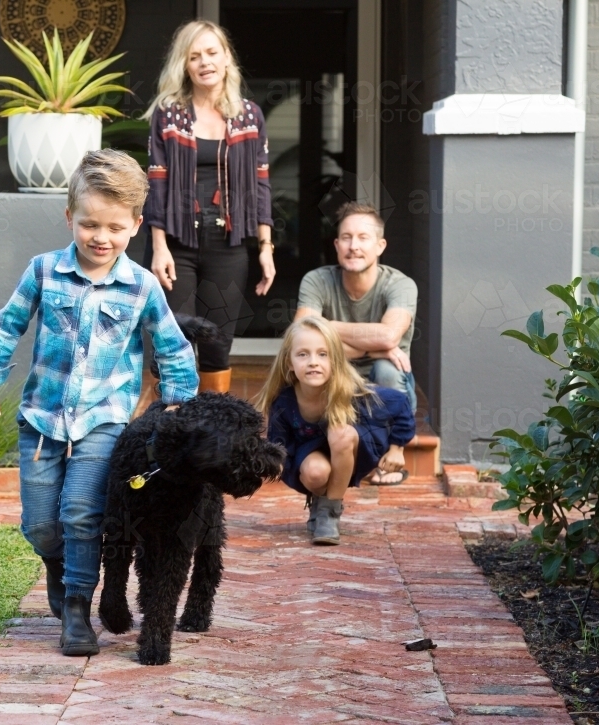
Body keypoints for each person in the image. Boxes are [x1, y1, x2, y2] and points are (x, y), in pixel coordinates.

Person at [0, 149, 198, 657]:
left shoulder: (142, 287)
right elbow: (7, 326)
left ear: (135, 225)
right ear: (70, 217)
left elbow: (175, 349)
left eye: (114, 227)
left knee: (81, 514)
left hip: (104, 420)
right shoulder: (44, 271)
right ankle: (59, 564)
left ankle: (76, 611)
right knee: (42, 525)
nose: (100, 237)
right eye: (89, 223)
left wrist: (179, 407)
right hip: (41, 419)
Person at [140, 19, 275, 400]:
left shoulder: (249, 116)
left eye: (212, 52)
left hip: (228, 242)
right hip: (176, 240)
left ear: (227, 58)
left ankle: (214, 436)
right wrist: (159, 246)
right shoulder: (169, 114)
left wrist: (266, 247)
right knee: (172, 338)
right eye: (194, 56)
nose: (204, 62)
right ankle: (164, 429)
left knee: (217, 343)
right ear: (184, 65)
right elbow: (157, 180)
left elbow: (262, 183)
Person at [257, 317, 415, 545]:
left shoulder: (353, 393)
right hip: (310, 456)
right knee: (315, 472)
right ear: (289, 362)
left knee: (341, 433)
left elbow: (400, 403)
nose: (313, 362)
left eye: (323, 354)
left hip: (351, 451)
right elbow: (278, 444)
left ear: (336, 360)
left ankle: (330, 514)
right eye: (303, 354)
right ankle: (320, 504)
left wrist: (397, 449)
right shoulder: (284, 401)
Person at [294, 201, 418, 484]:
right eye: (347, 238)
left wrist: (324, 329)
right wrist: (371, 345)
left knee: (387, 369)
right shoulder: (317, 280)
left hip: (386, 386)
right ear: (336, 244)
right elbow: (301, 332)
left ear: (380, 245)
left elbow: (389, 336)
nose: (354, 246)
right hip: (336, 379)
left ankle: (394, 453)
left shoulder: (400, 284)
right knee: (311, 369)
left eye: (364, 238)